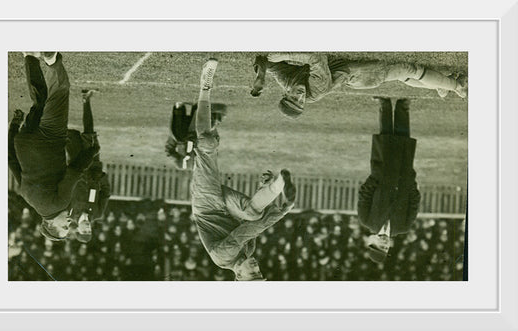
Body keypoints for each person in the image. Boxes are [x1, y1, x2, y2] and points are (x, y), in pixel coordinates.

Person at [189, 58, 297, 281]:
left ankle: (205, 87)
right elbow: (250, 222)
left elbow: (248, 231)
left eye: (253, 273)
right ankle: (278, 184)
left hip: (206, 206)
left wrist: (283, 211)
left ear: (238, 275)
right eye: (260, 272)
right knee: (252, 212)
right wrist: (263, 190)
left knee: (207, 144)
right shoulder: (249, 252)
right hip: (229, 210)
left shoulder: (224, 258)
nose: (257, 268)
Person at [8, 52, 98, 242]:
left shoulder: (60, 204)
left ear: (50, 224)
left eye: (64, 226)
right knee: (40, 100)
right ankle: (30, 57)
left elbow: (74, 171)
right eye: (70, 226)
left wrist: (92, 151)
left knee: (60, 92)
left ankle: (51, 61)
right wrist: (14, 126)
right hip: (24, 140)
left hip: (50, 139)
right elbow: (12, 161)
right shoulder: (30, 200)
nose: (69, 222)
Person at [250, 53, 468, 119]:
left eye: (293, 98)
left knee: (403, 77)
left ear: (285, 92)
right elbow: (317, 58)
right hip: (362, 75)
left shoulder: (287, 81)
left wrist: (261, 77)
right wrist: (284, 55)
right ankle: (456, 86)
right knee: (409, 70)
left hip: (355, 78)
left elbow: (264, 61)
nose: (299, 96)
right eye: (300, 102)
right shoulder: (317, 89)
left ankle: (441, 85)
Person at [357, 97, 421, 263]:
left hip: (382, 172)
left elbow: (364, 194)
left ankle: (384, 105)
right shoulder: (403, 226)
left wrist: (376, 177)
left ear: (372, 242)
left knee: (385, 137)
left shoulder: (366, 220)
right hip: (403, 174)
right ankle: (403, 106)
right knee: (404, 139)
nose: (384, 244)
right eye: (385, 248)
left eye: (379, 245)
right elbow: (414, 202)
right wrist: (410, 181)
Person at [65, 89, 111, 243]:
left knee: (70, 135)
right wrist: (101, 178)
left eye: (84, 230)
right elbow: (105, 194)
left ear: (77, 229)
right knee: (90, 135)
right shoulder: (97, 213)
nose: (87, 226)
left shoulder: (69, 212)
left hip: (77, 165)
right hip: (94, 167)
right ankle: (86, 99)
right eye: (89, 229)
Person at [165, 101, 227, 170]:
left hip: (184, 133)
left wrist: (174, 139)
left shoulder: (182, 165)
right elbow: (211, 150)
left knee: (179, 136)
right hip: (199, 134)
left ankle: (179, 107)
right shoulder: (205, 165)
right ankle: (201, 108)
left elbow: (169, 151)